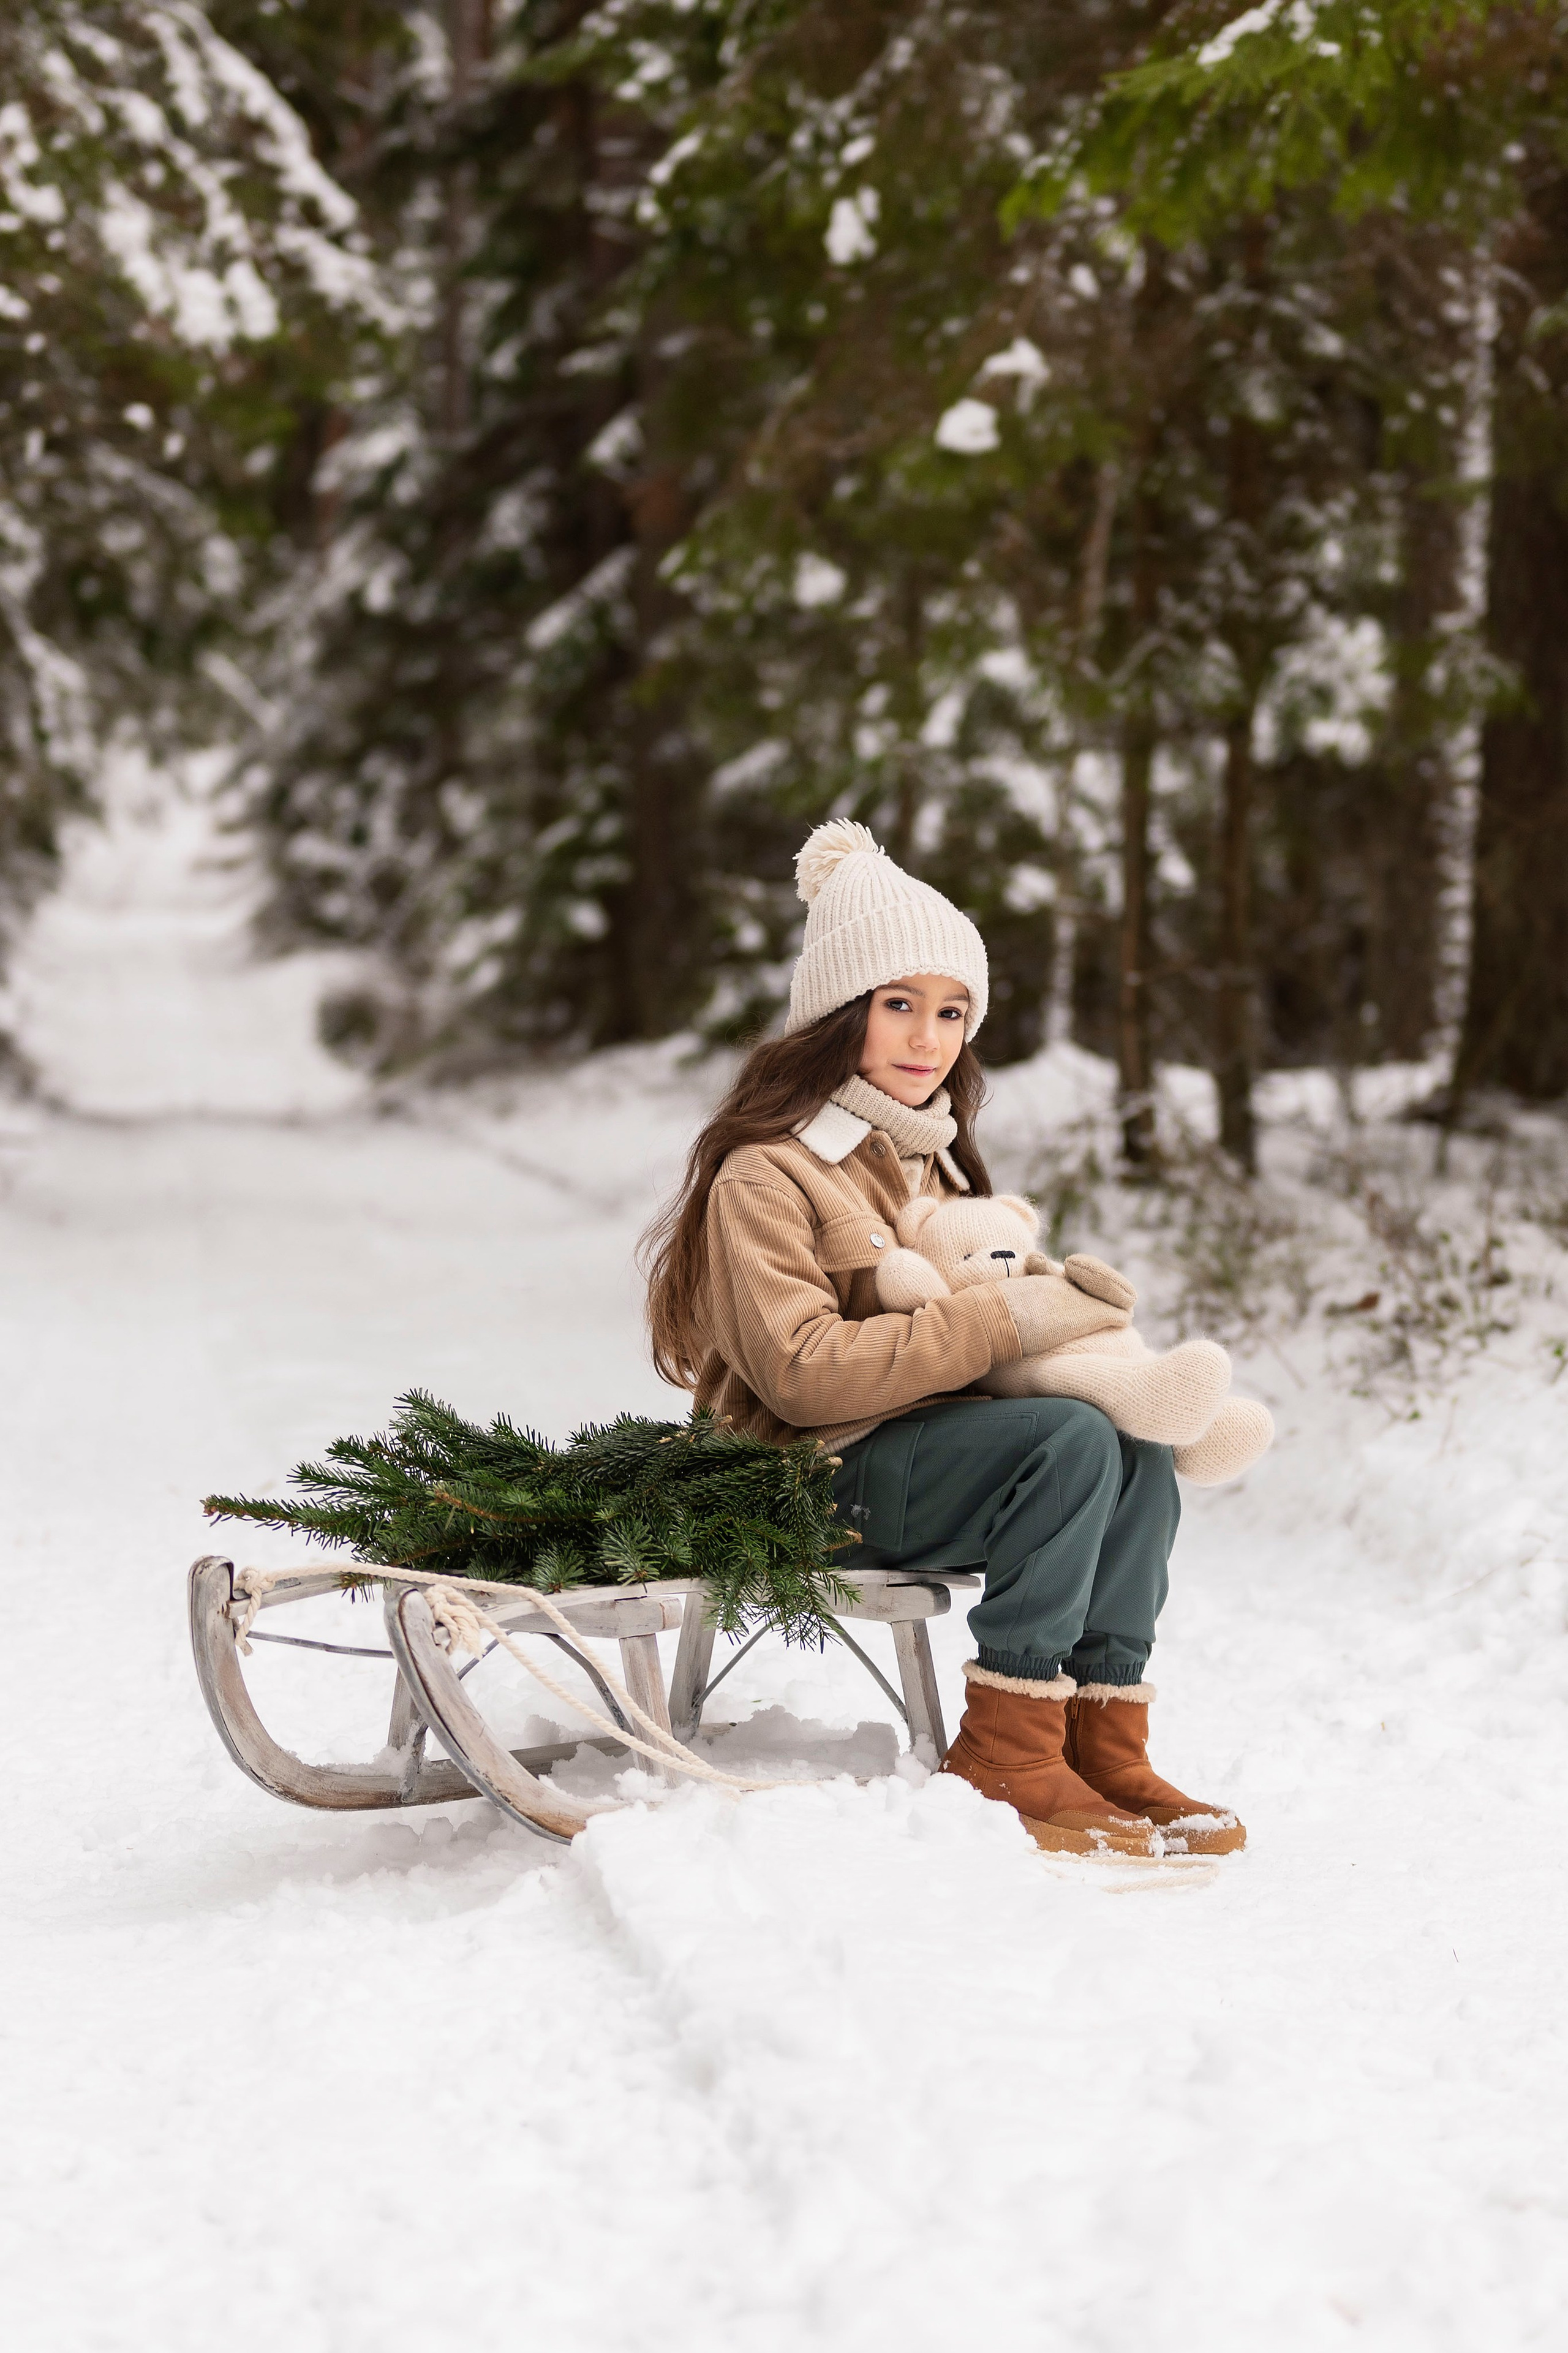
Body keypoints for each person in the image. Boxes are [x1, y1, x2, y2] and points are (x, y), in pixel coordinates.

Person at [643, 818, 1244, 1857]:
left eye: (952, 1011)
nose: (928, 1038)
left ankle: (1101, 1735)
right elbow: (798, 1374)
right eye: (899, 1006)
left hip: (926, 1459)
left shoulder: (938, 1162)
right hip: (807, 1471)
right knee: (1068, 1439)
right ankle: (1007, 1747)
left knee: (1131, 1440)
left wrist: (1068, 1332)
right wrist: (998, 1318)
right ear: (841, 1014)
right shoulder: (768, 1173)